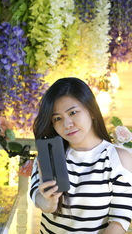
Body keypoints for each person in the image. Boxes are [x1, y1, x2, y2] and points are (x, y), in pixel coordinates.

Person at [30, 77, 132, 234]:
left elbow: (119, 222)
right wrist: (49, 201)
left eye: (73, 112)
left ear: (91, 111)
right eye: (57, 118)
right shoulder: (49, 155)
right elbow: (39, 200)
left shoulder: (119, 159)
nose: (67, 124)